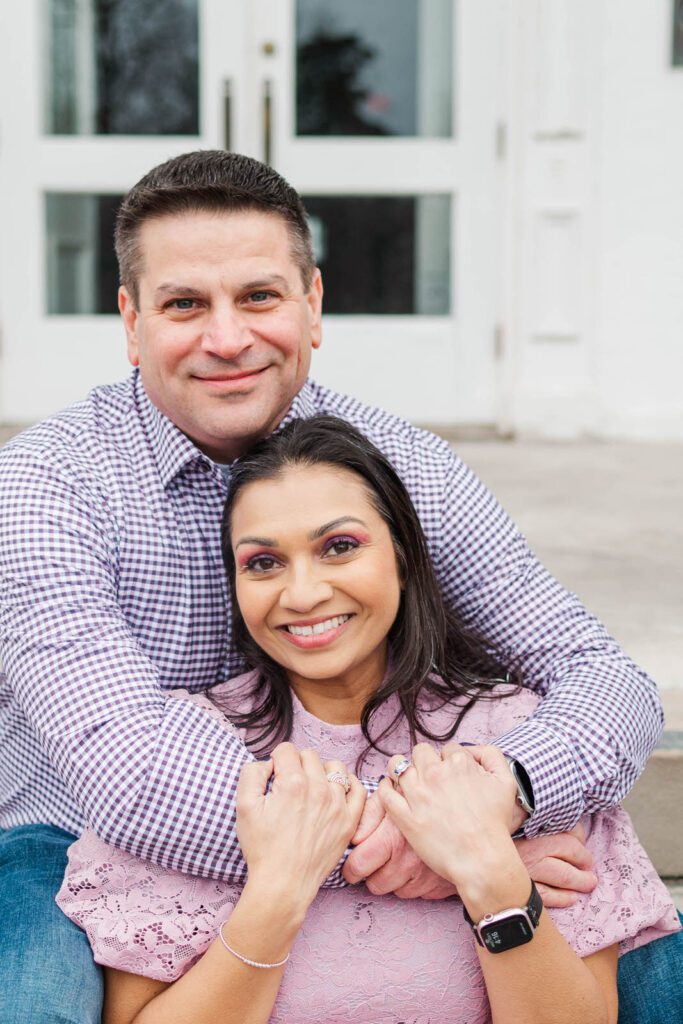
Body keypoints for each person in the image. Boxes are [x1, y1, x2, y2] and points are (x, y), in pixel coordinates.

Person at [0, 150, 680, 1024]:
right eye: (183, 305)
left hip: (369, 803)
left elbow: (601, 675)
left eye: (258, 297)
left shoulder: (403, 470)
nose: (226, 337)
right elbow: (129, 774)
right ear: (130, 322)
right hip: (66, 837)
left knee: (654, 973)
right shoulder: (42, 486)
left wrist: (497, 800)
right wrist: (427, 847)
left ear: (312, 305)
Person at [56, 416, 680, 1024]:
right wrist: (280, 889)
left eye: (340, 547)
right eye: (263, 563)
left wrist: (490, 873)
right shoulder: (184, 754)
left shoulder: (518, 741)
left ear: (404, 555)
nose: (301, 594)